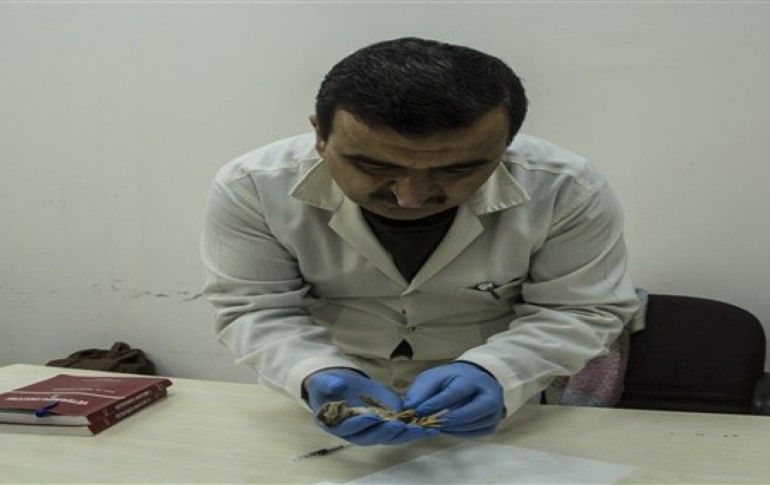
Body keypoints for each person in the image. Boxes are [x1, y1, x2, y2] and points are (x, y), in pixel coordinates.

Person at [200, 37, 640, 447]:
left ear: (506, 146)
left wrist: (496, 371)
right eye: (373, 166)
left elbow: (581, 309)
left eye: (457, 169)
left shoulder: (567, 188)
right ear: (320, 135)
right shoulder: (253, 187)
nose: (410, 197)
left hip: (502, 410)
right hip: (319, 409)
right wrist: (316, 372)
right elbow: (254, 308)